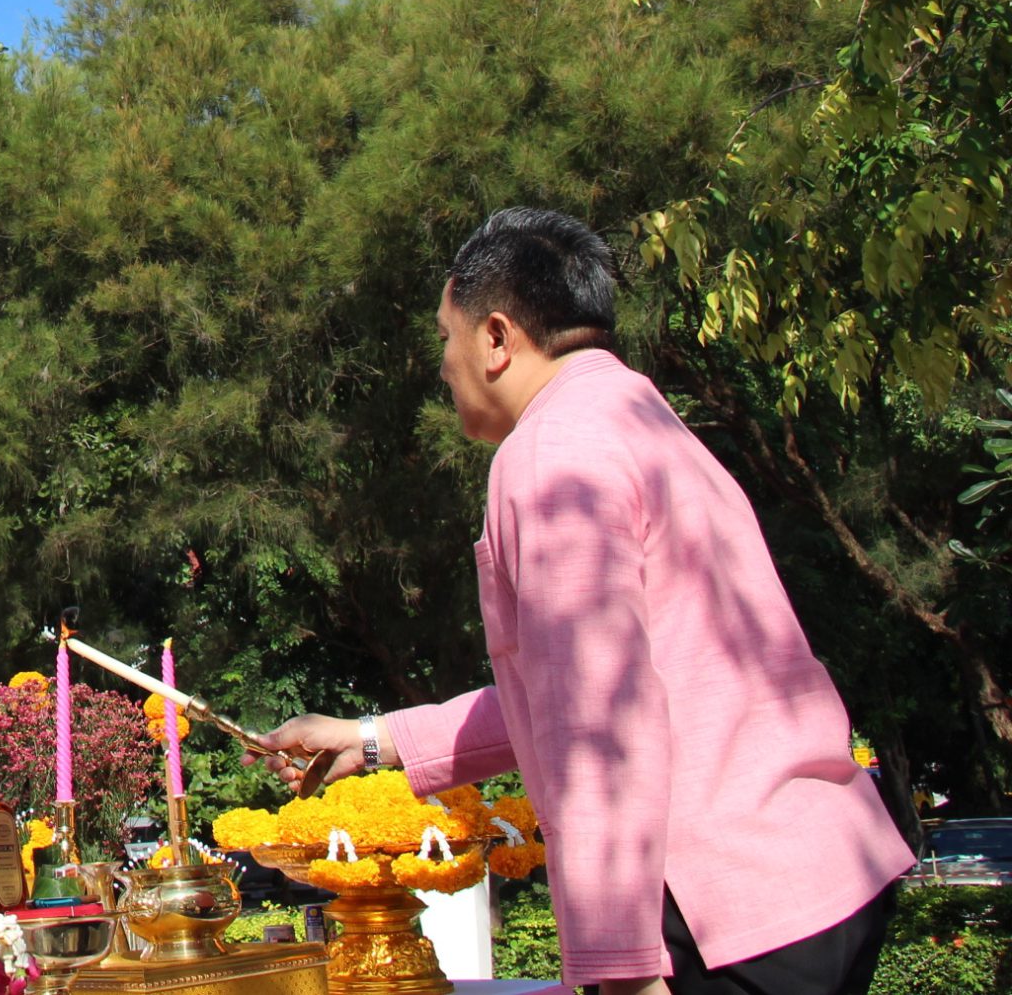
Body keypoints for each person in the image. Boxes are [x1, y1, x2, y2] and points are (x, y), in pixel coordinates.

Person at [261, 209, 910, 995]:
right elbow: (579, 686)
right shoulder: (643, 419)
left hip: (720, 910)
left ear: (496, 337)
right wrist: (374, 739)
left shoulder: (548, 454)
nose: (443, 363)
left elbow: (597, 719)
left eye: (445, 336)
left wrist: (624, 971)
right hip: (822, 873)